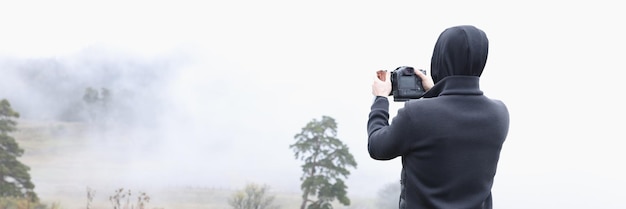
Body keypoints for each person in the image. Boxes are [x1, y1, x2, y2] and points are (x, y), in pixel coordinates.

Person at [367, 25, 509, 209]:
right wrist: (437, 90)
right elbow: (450, 123)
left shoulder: (416, 113)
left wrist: (380, 98)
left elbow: (378, 147)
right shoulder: (499, 114)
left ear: (440, 58)